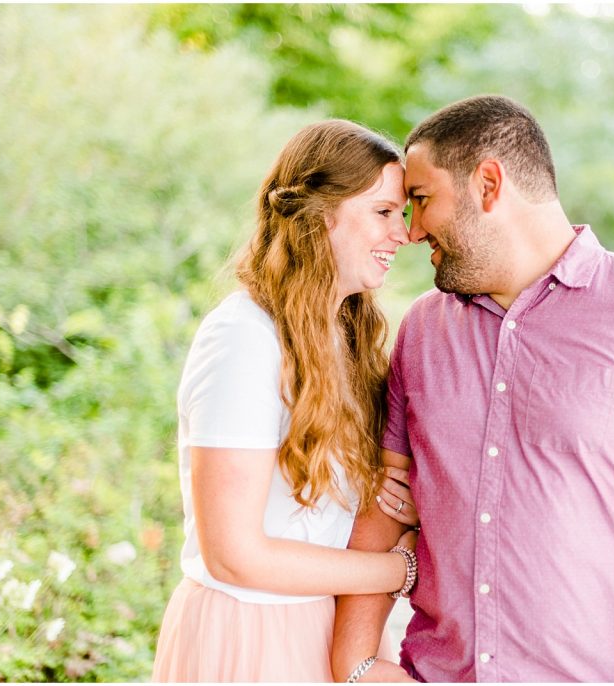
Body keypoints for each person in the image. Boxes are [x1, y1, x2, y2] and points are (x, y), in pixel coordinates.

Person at [331, 95, 614, 682]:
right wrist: (357, 664)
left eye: (420, 200)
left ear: (488, 184)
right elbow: (387, 505)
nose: (410, 231)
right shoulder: (423, 329)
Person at [151, 119, 423, 682]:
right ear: (322, 213)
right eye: (383, 212)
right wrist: (398, 571)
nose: (404, 233)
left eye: (402, 213)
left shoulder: (344, 338)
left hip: (315, 627)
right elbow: (235, 552)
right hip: (247, 634)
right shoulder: (244, 338)